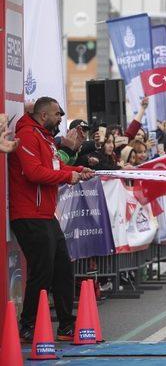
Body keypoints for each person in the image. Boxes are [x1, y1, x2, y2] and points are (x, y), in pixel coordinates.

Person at [8, 97, 94, 342]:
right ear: (43, 115)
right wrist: (70, 178)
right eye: (58, 114)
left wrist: (78, 171)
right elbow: (34, 172)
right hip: (28, 213)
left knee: (63, 269)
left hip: (45, 214)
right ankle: (28, 325)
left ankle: (66, 325)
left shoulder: (44, 138)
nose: (61, 118)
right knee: (42, 270)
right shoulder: (26, 135)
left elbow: (55, 167)